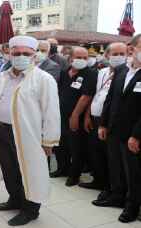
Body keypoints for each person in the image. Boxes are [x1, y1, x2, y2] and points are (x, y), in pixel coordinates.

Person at [0, 36, 60, 226]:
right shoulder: (3, 76)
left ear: (34, 55)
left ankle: (30, 210)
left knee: (29, 171)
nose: (21, 56)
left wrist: (49, 140)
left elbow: (51, 111)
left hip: (29, 135)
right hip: (3, 130)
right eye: (17, 53)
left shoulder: (43, 79)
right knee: (9, 168)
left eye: (26, 54)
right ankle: (14, 199)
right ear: (10, 54)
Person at [99, 34, 141, 223]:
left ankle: (132, 208)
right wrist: (103, 123)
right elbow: (110, 99)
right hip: (114, 130)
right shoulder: (122, 71)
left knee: (134, 173)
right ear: (132, 48)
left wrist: (136, 135)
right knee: (115, 166)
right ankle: (117, 197)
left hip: (133, 135)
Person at [83, 43, 128, 201]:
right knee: (97, 154)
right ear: (107, 55)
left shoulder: (127, 72)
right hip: (96, 117)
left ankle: (113, 189)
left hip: (111, 121)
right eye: (114, 54)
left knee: (112, 158)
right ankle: (101, 183)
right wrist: (88, 115)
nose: (118, 57)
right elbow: (96, 94)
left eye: (122, 53)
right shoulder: (102, 72)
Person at [54, 47, 98, 187]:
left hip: (76, 116)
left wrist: (75, 115)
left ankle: (74, 175)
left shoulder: (90, 74)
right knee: (61, 144)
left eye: (85, 58)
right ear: (70, 58)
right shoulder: (64, 72)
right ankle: (62, 169)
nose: (82, 60)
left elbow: (87, 96)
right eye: (79, 57)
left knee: (76, 146)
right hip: (60, 114)